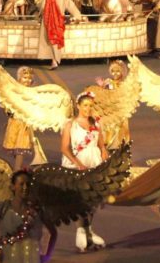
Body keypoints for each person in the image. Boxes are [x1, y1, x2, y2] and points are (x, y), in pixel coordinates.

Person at [61, 92, 109, 252]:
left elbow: (101, 145)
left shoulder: (96, 124)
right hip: (77, 165)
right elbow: (65, 148)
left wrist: (104, 154)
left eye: (90, 106)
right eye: (85, 105)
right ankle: (81, 230)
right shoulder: (70, 124)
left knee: (92, 199)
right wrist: (78, 164)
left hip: (94, 164)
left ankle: (88, 230)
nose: (88, 109)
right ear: (78, 106)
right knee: (80, 198)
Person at [0, 170, 58, 263]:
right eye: (21, 184)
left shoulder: (37, 210)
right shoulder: (3, 207)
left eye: (28, 184)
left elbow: (53, 232)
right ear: (13, 187)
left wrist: (47, 256)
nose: (25, 187)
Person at [37, 0, 84, 70]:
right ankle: (54, 60)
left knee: (50, 41)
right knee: (56, 40)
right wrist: (78, 16)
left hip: (48, 20)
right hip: (58, 21)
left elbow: (42, 7)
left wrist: (38, 16)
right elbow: (70, 5)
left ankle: (54, 61)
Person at [2, 67, 37, 170]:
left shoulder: (33, 92)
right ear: (19, 78)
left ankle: (17, 170)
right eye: (25, 77)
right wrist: (10, 111)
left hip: (25, 124)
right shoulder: (13, 91)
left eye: (30, 78)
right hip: (14, 122)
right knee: (15, 147)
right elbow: (6, 105)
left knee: (21, 147)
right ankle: (18, 168)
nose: (27, 80)